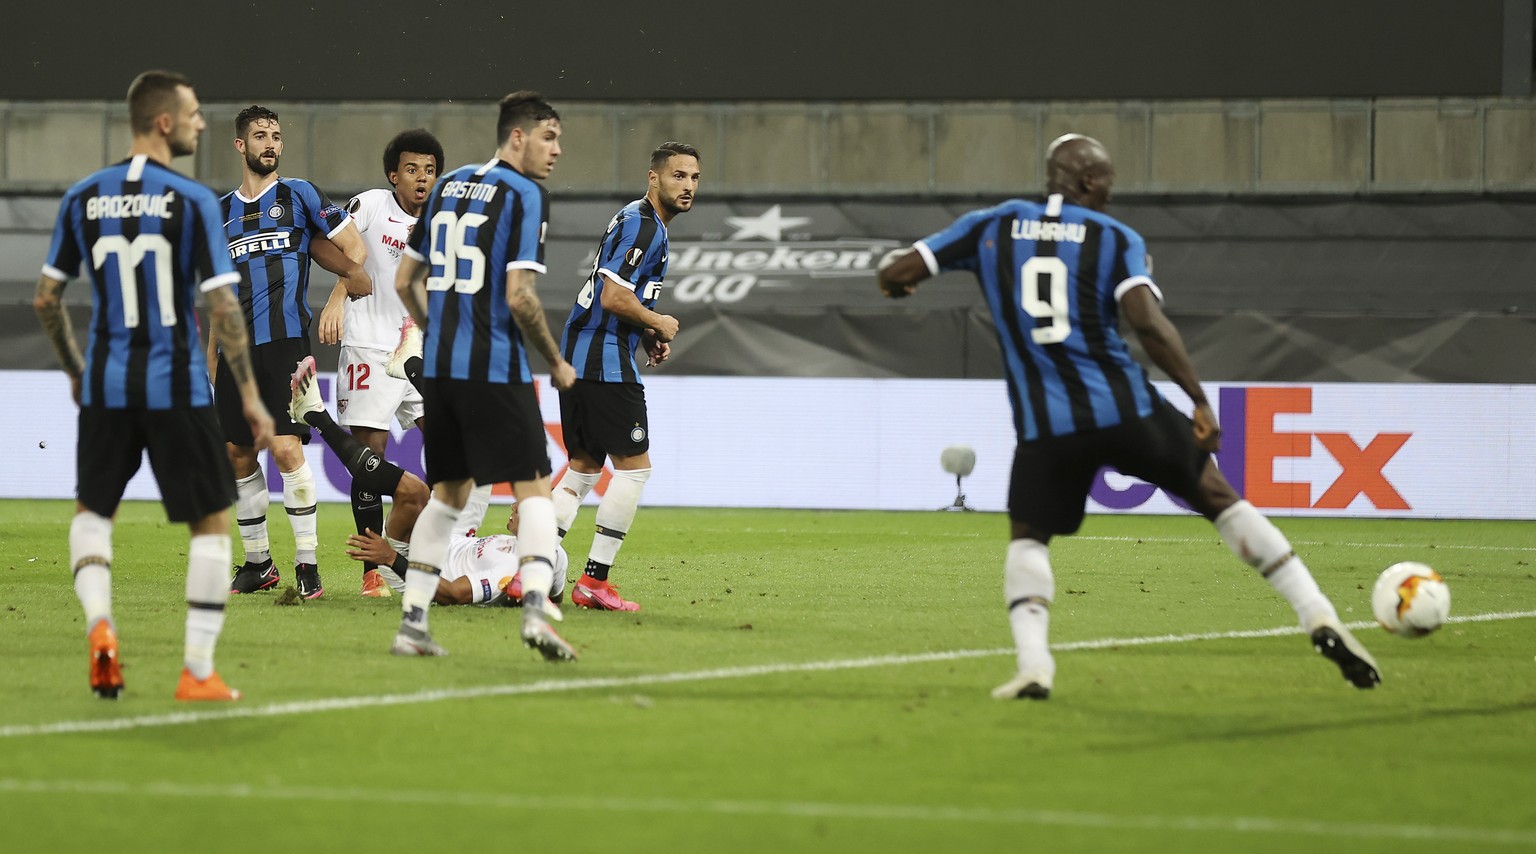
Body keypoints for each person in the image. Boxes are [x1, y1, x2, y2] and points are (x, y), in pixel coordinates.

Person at [875, 134, 1381, 700]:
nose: (1111, 194)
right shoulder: (1116, 239)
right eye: (1108, 182)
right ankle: (1318, 615)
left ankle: (1034, 668)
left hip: (1048, 428)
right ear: (1088, 182)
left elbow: (897, 272)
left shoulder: (989, 225)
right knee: (1218, 497)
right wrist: (1197, 399)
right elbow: (1149, 325)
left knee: (1029, 539)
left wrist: (900, 285)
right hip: (1126, 408)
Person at [34, 70, 276, 702]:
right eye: (194, 114)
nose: (201, 123)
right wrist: (250, 395)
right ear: (164, 122)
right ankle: (196, 670)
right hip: (176, 385)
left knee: (93, 514)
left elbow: (46, 298)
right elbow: (223, 307)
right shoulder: (191, 199)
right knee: (211, 524)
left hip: (108, 385)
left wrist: (76, 372)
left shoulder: (83, 196)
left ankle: (102, 629)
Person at [391, 90, 579, 660]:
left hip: (442, 372)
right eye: (549, 137)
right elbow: (520, 298)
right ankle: (537, 612)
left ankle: (413, 626)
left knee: (447, 498)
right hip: (494, 367)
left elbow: (405, 281)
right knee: (535, 489)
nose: (557, 150)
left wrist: (439, 331)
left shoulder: (448, 186)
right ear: (517, 137)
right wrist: (554, 360)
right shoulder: (525, 194)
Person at [311, 129, 497, 597]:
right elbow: (343, 250)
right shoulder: (371, 205)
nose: (422, 179)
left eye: (430, 170)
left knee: (456, 449)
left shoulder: (443, 220)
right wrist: (337, 298)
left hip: (418, 351)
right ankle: (371, 572)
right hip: (369, 347)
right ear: (394, 175)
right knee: (370, 459)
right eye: (412, 169)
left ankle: (443, 545)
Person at [217, 104, 370, 601]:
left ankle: (308, 564)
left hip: (285, 341)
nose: (270, 143)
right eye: (260, 136)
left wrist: (337, 299)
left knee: (286, 449)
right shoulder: (220, 213)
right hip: (235, 353)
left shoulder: (299, 194)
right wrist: (209, 363)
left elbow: (355, 252)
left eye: (276, 136)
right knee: (238, 453)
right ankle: (260, 563)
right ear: (241, 145)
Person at [551, 142, 697, 612]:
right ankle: (594, 581)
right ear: (653, 178)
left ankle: (526, 570)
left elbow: (619, 296)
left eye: (694, 177)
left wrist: (645, 329)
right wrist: (657, 322)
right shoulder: (643, 225)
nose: (688, 185)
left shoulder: (639, 220)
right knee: (635, 470)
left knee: (582, 469)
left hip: (583, 355)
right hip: (604, 363)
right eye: (678, 176)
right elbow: (613, 297)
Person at [344, 502, 568, 606]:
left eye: (521, 508)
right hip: (446, 536)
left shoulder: (507, 570)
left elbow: (451, 594)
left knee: (412, 493)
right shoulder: (556, 554)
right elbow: (555, 597)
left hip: (413, 566)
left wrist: (391, 558)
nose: (513, 506)